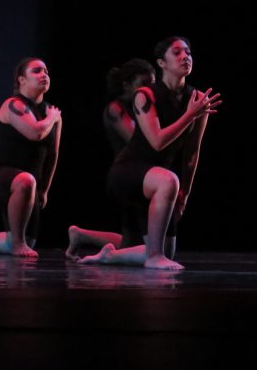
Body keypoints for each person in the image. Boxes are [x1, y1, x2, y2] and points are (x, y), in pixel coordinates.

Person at [80, 37, 220, 270]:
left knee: (169, 252)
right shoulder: (145, 95)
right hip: (129, 172)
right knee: (168, 181)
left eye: (188, 52)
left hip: (159, 181)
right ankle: (154, 257)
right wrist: (190, 115)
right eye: (177, 52)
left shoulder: (196, 100)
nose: (185, 56)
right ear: (161, 63)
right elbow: (157, 142)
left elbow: (192, 151)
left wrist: (185, 191)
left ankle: (108, 257)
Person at [0, 58, 61, 258]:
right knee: (25, 184)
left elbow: (52, 154)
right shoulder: (13, 104)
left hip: (29, 183)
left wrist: (45, 189)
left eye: (46, 71)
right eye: (37, 71)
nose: (44, 75)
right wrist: (51, 118)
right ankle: (16, 243)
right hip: (0, 177)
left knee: (28, 240)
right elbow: (35, 133)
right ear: (21, 80)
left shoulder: (52, 113)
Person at [66, 58, 154, 257]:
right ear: (126, 85)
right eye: (143, 84)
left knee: (131, 242)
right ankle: (104, 257)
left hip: (141, 174)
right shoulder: (116, 109)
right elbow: (139, 139)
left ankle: (82, 236)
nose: (149, 89)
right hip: (128, 177)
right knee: (145, 245)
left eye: (152, 84)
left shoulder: (141, 107)